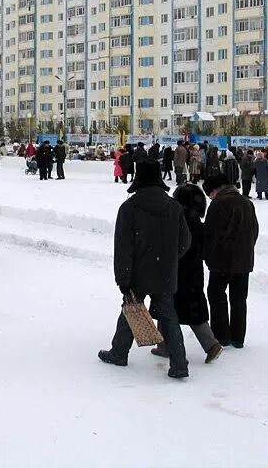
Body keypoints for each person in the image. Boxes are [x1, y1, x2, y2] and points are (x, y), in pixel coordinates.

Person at [98, 161, 191, 379]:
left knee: (131, 309)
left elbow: (123, 247)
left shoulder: (129, 208)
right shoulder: (173, 206)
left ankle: (119, 353)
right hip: (165, 273)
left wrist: (123, 278)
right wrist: (169, 258)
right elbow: (185, 241)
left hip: (137, 273)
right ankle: (179, 364)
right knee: (169, 317)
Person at [151, 184, 223, 364]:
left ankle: (164, 346)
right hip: (194, 273)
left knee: (165, 306)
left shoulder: (176, 223)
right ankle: (211, 344)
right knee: (193, 311)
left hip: (175, 272)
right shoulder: (199, 225)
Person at [202, 172, 259, 349]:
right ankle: (238, 337)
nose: (210, 198)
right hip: (243, 261)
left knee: (216, 296)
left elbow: (210, 235)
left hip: (221, 261)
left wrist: (207, 255)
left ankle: (221, 336)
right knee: (239, 299)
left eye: (209, 194)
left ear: (215, 190)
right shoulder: (247, 203)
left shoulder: (219, 204)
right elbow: (254, 230)